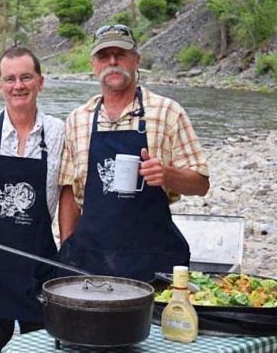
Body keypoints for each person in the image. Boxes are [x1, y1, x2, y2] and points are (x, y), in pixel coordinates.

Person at [57, 24, 210, 282]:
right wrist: (67, 248)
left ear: (136, 60)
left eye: (121, 54)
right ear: (93, 64)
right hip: (90, 260)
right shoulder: (77, 120)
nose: (112, 62)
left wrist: (167, 174)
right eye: (104, 56)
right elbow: (69, 192)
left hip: (153, 260)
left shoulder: (167, 113)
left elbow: (201, 184)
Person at [0, 47, 65, 353]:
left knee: (46, 349)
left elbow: (70, 193)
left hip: (40, 266)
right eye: (10, 79)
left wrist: (69, 251)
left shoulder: (60, 132)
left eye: (25, 77)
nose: (18, 85)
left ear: (40, 82)